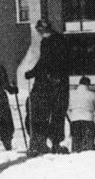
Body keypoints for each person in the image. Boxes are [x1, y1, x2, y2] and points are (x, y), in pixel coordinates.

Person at [24, 18, 70, 156]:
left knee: (46, 113)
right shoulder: (54, 40)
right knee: (55, 114)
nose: (39, 33)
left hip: (52, 83)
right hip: (57, 83)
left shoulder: (51, 41)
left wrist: (33, 72)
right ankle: (50, 143)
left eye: (40, 30)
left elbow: (46, 61)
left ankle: (44, 143)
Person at [67, 76, 95, 152]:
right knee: (88, 145)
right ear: (88, 84)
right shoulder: (92, 94)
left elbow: (67, 108)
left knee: (76, 144)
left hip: (74, 120)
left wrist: (71, 117)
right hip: (88, 120)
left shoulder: (72, 94)